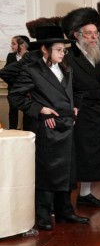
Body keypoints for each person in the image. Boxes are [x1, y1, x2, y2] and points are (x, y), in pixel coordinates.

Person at [9, 25, 90, 230]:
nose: (63, 54)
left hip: (66, 125)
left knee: (67, 170)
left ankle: (65, 211)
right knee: (47, 171)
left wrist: (75, 107)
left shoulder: (67, 68)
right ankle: (43, 214)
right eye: (58, 50)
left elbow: (78, 91)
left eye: (64, 50)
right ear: (45, 49)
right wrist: (40, 109)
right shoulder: (31, 70)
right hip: (46, 128)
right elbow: (15, 96)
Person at [61, 7, 100, 209]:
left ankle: (85, 194)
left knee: (93, 156)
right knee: (78, 155)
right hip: (81, 112)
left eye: (96, 33)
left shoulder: (98, 53)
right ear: (77, 35)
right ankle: (64, 201)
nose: (94, 37)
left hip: (99, 111)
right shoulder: (68, 56)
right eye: (89, 33)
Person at [4, 35, 30, 129]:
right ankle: (12, 132)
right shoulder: (10, 56)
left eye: (14, 44)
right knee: (12, 112)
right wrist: (14, 83)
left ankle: (27, 133)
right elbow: (6, 72)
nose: (11, 46)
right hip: (12, 90)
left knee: (28, 114)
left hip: (28, 91)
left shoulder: (32, 56)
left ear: (22, 45)